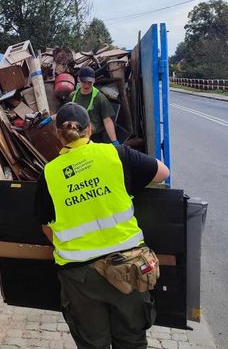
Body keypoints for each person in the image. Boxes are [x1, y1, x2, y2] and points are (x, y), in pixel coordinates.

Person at [35, 102, 170, 349]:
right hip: (129, 266)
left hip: (80, 278)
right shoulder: (116, 155)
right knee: (132, 343)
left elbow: (46, 227)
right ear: (89, 130)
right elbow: (162, 173)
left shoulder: (49, 173)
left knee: (92, 344)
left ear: (58, 134)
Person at [71, 66, 119, 145]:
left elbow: (107, 121)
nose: (86, 85)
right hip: (78, 136)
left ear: (94, 81)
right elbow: (66, 113)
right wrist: (50, 118)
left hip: (96, 138)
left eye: (89, 82)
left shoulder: (100, 98)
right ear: (78, 79)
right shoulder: (73, 96)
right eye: (84, 82)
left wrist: (114, 141)